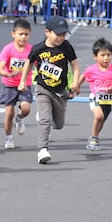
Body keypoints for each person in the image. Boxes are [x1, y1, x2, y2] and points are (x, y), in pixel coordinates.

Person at [17, 16, 80, 164]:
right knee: (44, 119)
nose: (60, 37)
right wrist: (22, 81)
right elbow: (28, 63)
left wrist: (75, 83)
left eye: (63, 34)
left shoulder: (66, 47)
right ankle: (42, 150)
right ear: (47, 32)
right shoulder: (38, 48)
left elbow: (75, 66)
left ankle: (46, 117)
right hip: (43, 88)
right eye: (57, 34)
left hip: (60, 90)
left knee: (58, 124)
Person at [75, 37, 112, 151]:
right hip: (95, 97)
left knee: (102, 120)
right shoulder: (92, 69)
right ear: (95, 56)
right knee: (99, 116)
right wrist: (77, 86)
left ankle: (94, 137)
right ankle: (94, 138)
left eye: (108, 55)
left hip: (109, 100)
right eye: (102, 55)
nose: (106, 58)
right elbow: (83, 76)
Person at [0, 18, 33, 149]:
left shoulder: (31, 50)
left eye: (26, 34)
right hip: (9, 84)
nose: (23, 37)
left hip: (24, 84)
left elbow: (38, 65)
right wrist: (8, 73)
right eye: (20, 34)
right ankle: (9, 138)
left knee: (26, 108)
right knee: (9, 113)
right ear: (13, 34)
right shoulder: (8, 49)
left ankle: (19, 118)